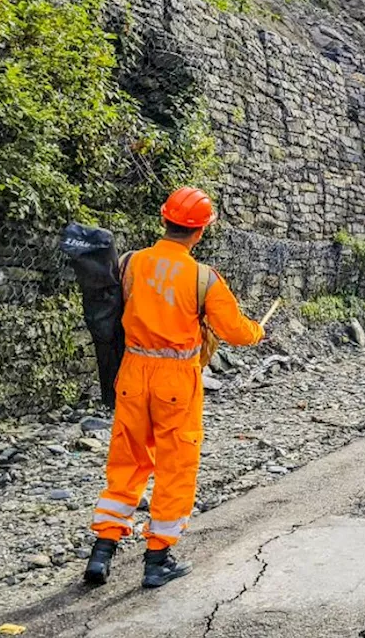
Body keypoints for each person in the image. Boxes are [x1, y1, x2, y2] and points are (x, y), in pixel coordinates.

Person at [84, 187, 265, 588]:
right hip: (177, 382)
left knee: (127, 460)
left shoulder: (131, 262)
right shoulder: (203, 278)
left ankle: (102, 551)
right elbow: (234, 331)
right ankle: (157, 558)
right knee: (175, 466)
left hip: (131, 373)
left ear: (164, 221)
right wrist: (258, 332)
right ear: (199, 231)